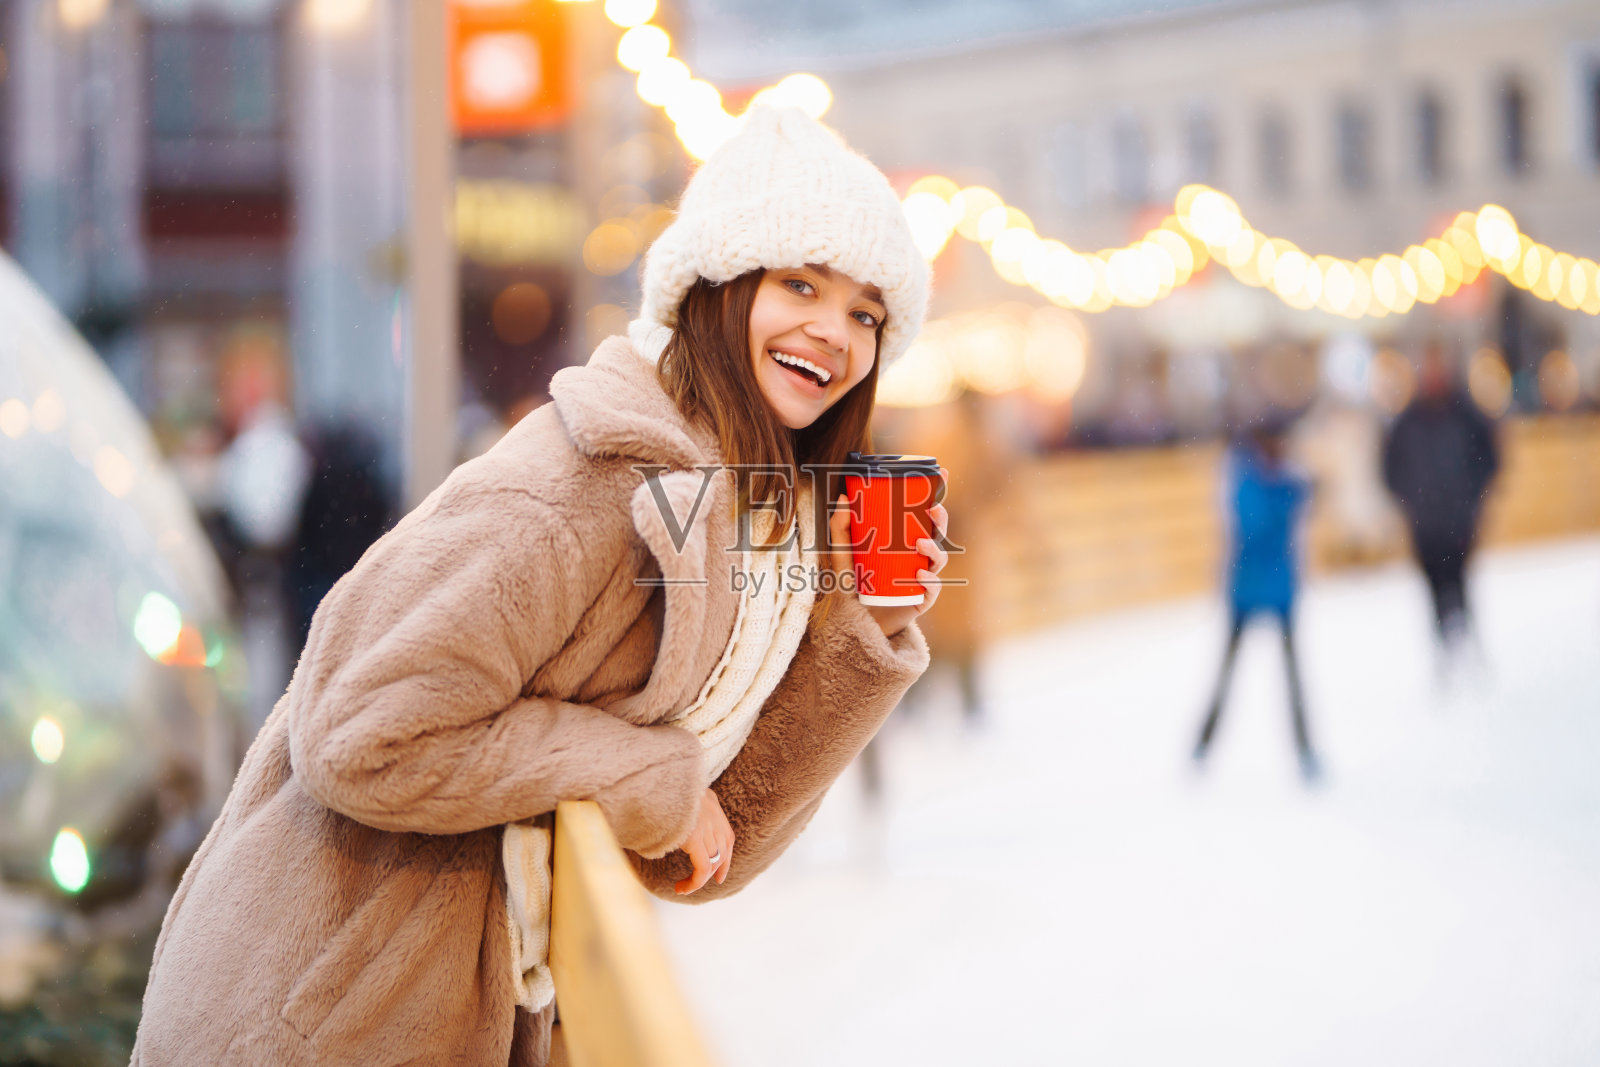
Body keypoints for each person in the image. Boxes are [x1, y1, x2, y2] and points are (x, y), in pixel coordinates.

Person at [132, 108, 948, 1067]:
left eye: (865, 312)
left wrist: (862, 621)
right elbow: (362, 732)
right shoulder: (578, 482)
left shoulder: (734, 519)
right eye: (800, 284)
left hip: (445, 1012)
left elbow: (721, 836)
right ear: (719, 291)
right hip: (310, 1019)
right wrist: (647, 777)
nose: (834, 332)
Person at [1192, 421, 1320, 782]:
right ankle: (1203, 743)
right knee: (1226, 675)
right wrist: (1289, 495)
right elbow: (1253, 524)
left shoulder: (1284, 476)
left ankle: (1305, 750)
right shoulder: (1245, 477)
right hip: (1247, 590)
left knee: (1293, 679)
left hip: (1280, 591)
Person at [1381, 342, 1500, 656]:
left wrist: (1473, 496)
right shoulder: (1409, 420)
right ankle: (1443, 646)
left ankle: (1467, 641)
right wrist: (1410, 500)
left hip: (1459, 517)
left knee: (1460, 580)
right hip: (1426, 522)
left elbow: (1489, 457)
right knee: (1433, 584)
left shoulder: (1465, 413)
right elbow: (1390, 467)